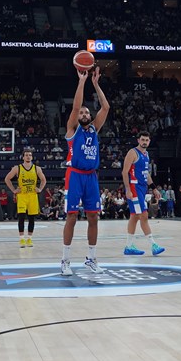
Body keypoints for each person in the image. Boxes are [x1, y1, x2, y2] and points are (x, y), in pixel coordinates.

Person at [61, 66, 110, 276]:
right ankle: (65, 260)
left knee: (93, 217)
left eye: (87, 112)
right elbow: (75, 107)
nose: (84, 113)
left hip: (91, 177)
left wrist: (96, 85)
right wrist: (81, 82)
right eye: (82, 111)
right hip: (75, 176)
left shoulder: (94, 129)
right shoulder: (73, 129)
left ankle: (91, 258)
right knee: (72, 217)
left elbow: (106, 108)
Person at [122, 131, 165, 256]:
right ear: (138, 140)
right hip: (134, 187)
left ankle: (129, 246)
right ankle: (153, 244)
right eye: (142, 140)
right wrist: (128, 189)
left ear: (149, 141)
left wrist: (154, 188)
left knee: (134, 216)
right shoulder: (132, 153)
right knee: (144, 215)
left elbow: (146, 174)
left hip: (142, 187)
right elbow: (125, 172)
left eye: (147, 140)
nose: (144, 142)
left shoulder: (146, 154)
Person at [5, 148, 47, 247]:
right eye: (26, 155)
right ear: (23, 157)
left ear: (32, 157)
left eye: (30, 155)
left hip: (32, 196)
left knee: (32, 218)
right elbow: (7, 179)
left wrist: (40, 189)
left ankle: (29, 239)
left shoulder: (37, 168)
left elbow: (43, 180)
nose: (28, 156)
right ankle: (21, 239)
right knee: (21, 217)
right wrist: (13, 190)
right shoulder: (17, 168)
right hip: (22, 196)